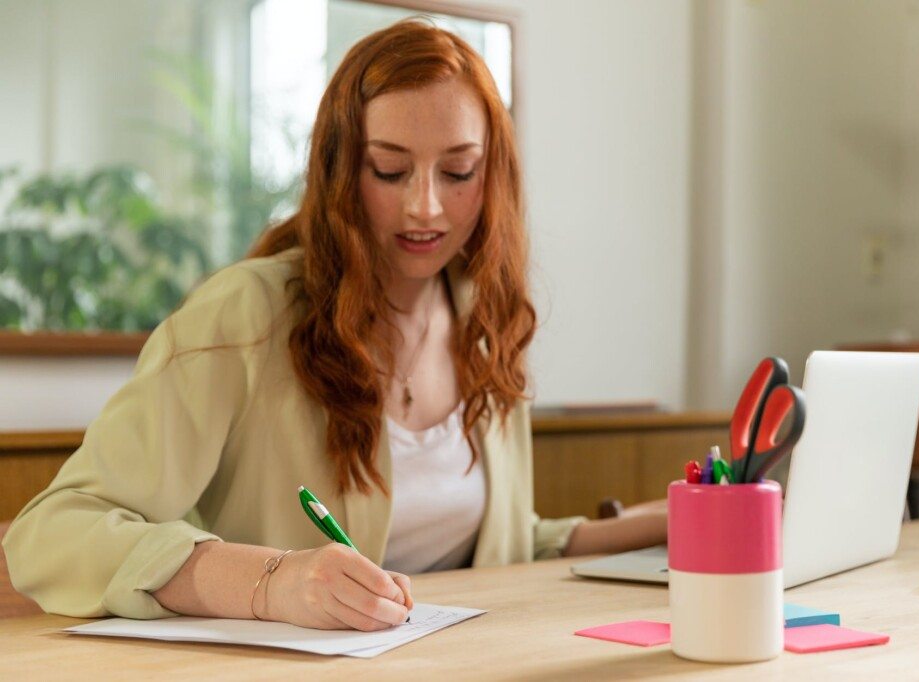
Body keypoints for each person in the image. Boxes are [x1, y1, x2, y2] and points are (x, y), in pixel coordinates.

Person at [3, 19, 667, 632]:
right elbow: (52, 533)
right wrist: (271, 584)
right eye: (390, 169)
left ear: (494, 174)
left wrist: (664, 524)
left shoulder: (484, 324)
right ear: (340, 168)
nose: (426, 205)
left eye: (459, 171)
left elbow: (496, 543)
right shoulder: (244, 314)